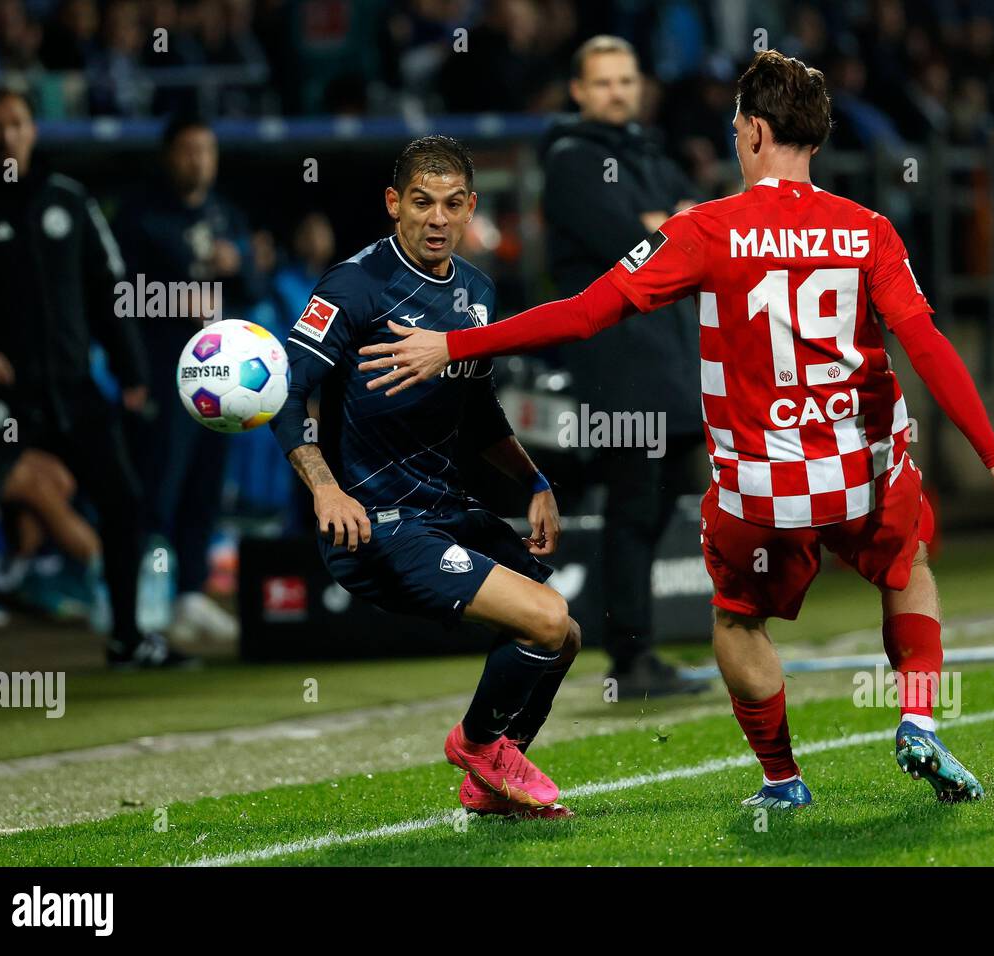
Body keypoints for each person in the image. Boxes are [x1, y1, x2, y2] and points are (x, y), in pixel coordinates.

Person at [361, 51, 994, 810]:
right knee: (908, 563)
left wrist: (452, 343)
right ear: (814, 137)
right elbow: (926, 344)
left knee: (736, 619)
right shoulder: (869, 232)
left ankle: (783, 780)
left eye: (735, 127)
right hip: (861, 470)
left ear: (756, 132)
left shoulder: (705, 230)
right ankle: (918, 715)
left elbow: (586, 312)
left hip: (761, 486)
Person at [270, 135, 581, 817]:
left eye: (450, 205)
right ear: (394, 204)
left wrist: (533, 481)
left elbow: (478, 411)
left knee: (565, 637)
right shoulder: (354, 286)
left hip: (445, 506)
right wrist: (326, 488)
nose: (435, 219)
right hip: (377, 522)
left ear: (470, 208)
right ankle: (476, 745)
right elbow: (286, 396)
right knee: (546, 619)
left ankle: (491, 779)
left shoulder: (476, 290)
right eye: (420, 203)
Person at [0, 87, 192, 668]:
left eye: (15, 123)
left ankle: (127, 637)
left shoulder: (71, 200)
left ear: (33, 130)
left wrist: (131, 371)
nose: (6, 136)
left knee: (124, 503)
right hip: (3, 398)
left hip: (72, 390)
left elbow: (112, 290)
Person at [541, 34, 706, 698]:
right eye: (603, 82)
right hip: (617, 366)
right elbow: (639, 248)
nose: (617, 91)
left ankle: (638, 654)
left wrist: (664, 224)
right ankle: (628, 660)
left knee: (656, 507)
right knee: (632, 506)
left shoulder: (645, 151)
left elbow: (696, 226)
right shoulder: (572, 161)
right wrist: (665, 226)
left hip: (667, 360)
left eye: (626, 80)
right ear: (578, 91)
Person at [115, 114, 260, 644]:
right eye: (188, 150)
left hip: (221, 379)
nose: (198, 160)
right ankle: (143, 601)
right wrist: (179, 299)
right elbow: (118, 295)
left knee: (205, 483)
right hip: (162, 374)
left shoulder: (227, 217)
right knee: (159, 484)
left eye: (207, 150)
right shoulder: (139, 216)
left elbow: (253, 290)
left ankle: (191, 596)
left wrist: (238, 263)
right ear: (169, 156)